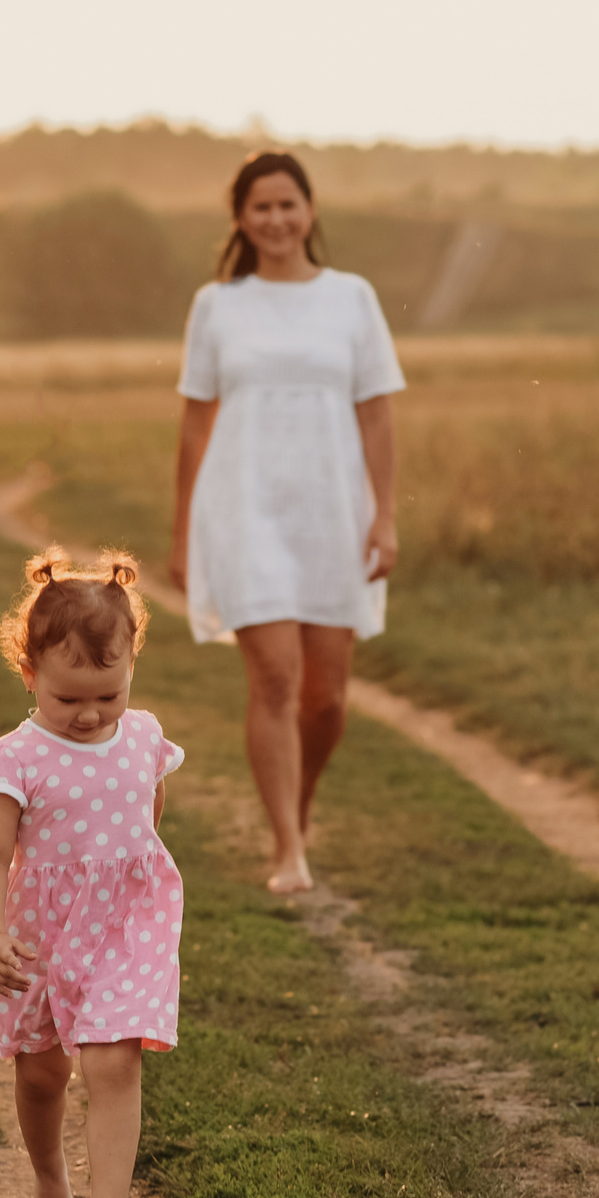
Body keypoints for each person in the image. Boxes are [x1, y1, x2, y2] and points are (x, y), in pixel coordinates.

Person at [168, 151, 402, 894]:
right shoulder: (217, 304)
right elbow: (194, 422)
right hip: (243, 508)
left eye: (287, 205)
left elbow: (377, 412)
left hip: (333, 509)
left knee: (326, 697)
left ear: (310, 211)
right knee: (273, 676)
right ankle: (285, 849)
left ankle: (298, 810)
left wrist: (386, 515)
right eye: (260, 207)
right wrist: (181, 531)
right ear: (240, 218)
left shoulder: (352, 297)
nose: (275, 219)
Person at [0, 547, 186, 1198]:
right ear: (29, 675)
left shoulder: (146, 735)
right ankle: (50, 1171)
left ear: (129, 669)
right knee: (42, 1069)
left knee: (114, 1058)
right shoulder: (14, 760)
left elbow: (148, 811)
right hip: (42, 935)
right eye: (68, 699)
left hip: (125, 926)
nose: (90, 715)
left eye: (107, 695)